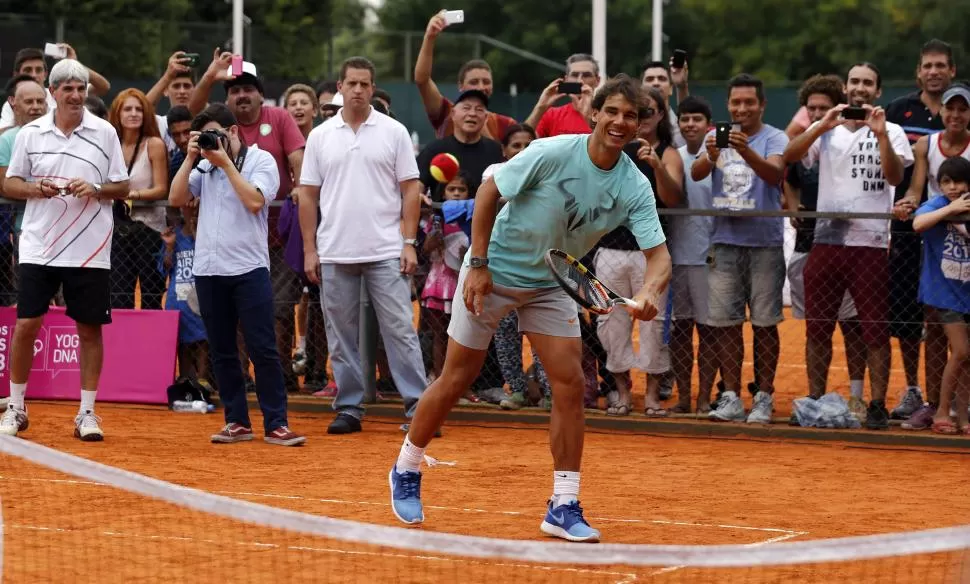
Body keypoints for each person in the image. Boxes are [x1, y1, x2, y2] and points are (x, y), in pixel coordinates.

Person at [388, 74, 670, 543]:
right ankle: (407, 467)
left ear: (639, 125)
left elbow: (658, 256)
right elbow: (487, 192)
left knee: (570, 384)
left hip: (553, 280)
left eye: (631, 116)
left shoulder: (634, 185)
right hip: (494, 272)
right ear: (596, 113)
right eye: (613, 111)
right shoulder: (552, 151)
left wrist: (651, 293)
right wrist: (477, 264)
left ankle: (563, 504)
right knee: (457, 377)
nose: (621, 122)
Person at [0, 59, 129, 440]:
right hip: (39, 245)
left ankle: (87, 413)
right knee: (26, 325)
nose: (75, 95)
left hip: (89, 249)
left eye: (80, 88)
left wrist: (96, 189)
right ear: (53, 93)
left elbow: (121, 187)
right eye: (67, 89)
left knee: (89, 330)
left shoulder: (105, 132)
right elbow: (10, 184)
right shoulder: (30, 134)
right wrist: (35, 189)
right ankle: (17, 407)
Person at [299, 57, 427, 435]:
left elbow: (411, 190)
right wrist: (310, 249)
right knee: (340, 334)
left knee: (401, 329)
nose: (358, 89)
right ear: (339, 87)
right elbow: (307, 196)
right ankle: (350, 408)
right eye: (351, 83)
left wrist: (408, 242)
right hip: (335, 250)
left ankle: (419, 408)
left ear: (372, 88)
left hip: (387, 250)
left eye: (364, 84)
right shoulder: (320, 137)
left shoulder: (395, 132)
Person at [782, 62, 913, 430]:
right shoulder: (827, 129)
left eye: (867, 83)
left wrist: (881, 134)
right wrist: (821, 125)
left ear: (878, 91)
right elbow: (790, 156)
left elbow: (894, 176)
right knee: (817, 328)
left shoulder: (894, 130)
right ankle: (814, 399)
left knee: (873, 330)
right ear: (846, 87)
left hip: (870, 244)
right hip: (826, 240)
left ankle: (875, 404)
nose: (860, 88)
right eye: (854, 81)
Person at [169, 103, 305, 447]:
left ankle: (276, 422)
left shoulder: (260, 161)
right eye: (206, 136)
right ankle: (237, 421)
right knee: (222, 350)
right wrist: (190, 158)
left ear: (232, 132)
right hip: (209, 269)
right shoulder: (203, 166)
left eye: (217, 134)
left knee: (263, 347)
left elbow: (256, 201)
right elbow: (175, 197)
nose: (213, 142)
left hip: (249, 268)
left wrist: (225, 164)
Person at [691, 74, 788, 424]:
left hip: (764, 243)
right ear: (728, 105)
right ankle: (730, 396)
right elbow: (698, 172)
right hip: (724, 241)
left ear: (762, 104)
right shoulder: (715, 137)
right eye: (736, 103)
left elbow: (776, 174)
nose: (742, 108)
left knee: (765, 324)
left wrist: (745, 149)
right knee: (726, 324)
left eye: (749, 102)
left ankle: (763, 396)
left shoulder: (774, 137)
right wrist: (711, 154)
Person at [783, 74, 868, 422]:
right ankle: (815, 395)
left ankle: (857, 395)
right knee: (815, 327)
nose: (817, 113)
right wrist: (792, 207)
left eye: (824, 107)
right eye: (811, 108)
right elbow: (788, 175)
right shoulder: (807, 142)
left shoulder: (851, 141)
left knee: (853, 326)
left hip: (850, 245)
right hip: (809, 247)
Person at [884, 39, 956, 422]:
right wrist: (905, 205)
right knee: (909, 314)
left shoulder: (962, 111)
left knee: (954, 318)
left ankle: (953, 396)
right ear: (918, 72)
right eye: (927, 65)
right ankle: (915, 390)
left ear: (952, 71)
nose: (933, 71)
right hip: (913, 231)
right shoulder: (898, 111)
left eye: (940, 65)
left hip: (958, 235)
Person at [893, 83, 970, 429]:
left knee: (964, 350)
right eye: (950, 109)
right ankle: (937, 407)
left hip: (965, 276)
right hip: (939, 269)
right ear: (942, 111)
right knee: (938, 337)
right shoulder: (927, 145)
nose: (955, 115)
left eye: (963, 109)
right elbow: (917, 191)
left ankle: (960, 411)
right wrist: (912, 203)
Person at [912, 156, 970, 434]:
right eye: (946, 181)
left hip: (967, 290)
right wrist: (951, 210)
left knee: (968, 358)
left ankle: (964, 417)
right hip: (944, 293)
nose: (953, 187)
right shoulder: (938, 204)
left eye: (958, 181)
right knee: (961, 351)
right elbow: (918, 224)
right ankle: (942, 412)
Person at [108, 89, 170, 310]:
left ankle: (151, 345)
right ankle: (120, 344)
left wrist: (133, 194)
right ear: (117, 113)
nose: (134, 114)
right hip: (116, 229)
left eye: (139, 109)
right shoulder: (109, 144)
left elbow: (161, 189)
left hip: (149, 229)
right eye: (128, 109)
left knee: (152, 295)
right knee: (118, 297)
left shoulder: (154, 143)